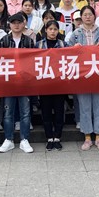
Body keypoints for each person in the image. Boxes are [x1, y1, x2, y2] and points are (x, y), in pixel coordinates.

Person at [66, 6, 99, 151]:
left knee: (98, 106)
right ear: (81, 17)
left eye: (90, 14)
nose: (87, 17)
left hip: (98, 75)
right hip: (82, 76)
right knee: (84, 107)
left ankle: (98, 137)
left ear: (94, 16)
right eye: (85, 15)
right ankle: (87, 137)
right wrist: (74, 48)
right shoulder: (75, 34)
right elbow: (67, 53)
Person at [0, 13, 36, 154]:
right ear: (9, 24)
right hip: (9, 81)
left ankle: (24, 139)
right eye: (13, 22)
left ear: (23, 24)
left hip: (25, 82)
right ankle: (8, 139)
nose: (16, 25)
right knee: (8, 112)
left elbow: (33, 61)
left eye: (19, 22)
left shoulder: (29, 41)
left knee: (25, 112)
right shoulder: (4, 41)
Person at [36, 20, 67, 151]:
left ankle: (57, 137)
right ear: (46, 30)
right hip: (44, 83)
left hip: (60, 83)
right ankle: (49, 137)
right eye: (50, 29)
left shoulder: (63, 44)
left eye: (55, 29)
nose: (53, 32)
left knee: (59, 112)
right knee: (46, 112)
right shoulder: (39, 45)